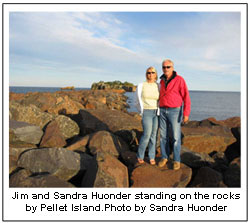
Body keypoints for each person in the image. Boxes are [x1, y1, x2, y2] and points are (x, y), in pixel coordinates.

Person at [158, 59, 191, 170]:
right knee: (163, 136)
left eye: (168, 67)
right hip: (162, 110)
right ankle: (164, 157)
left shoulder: (179, 80)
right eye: (164, 67)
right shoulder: (161, 81)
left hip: (175, 111)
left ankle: (176, 160)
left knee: (176, 137)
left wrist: (186, 113)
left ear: (172, 67)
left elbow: (186, 97)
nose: (166, 69)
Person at [135, 66, 160, 165]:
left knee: (154, 136)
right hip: (147, 112)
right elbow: (136, 101)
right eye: (148, 73)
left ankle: (151, 156)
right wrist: (142, 111)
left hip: (156, 112)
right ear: (146, 75)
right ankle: (140, 155)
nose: (150, 74)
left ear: (156, 74)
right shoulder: (141, 85)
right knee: (147, 135)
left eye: (153, 72)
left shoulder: (158, 86)